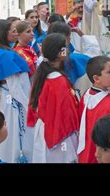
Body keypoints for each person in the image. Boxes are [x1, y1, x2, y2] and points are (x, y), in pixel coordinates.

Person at [0, 19, 33, 163]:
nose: (16, 33)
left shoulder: (2, 52)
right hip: (12, 102)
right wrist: (29, 105)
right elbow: (15, 87)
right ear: (2, 34)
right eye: (13, 30)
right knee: (11, 139)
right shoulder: (6, 55)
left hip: (7, 100)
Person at [27, 33, 79, 163]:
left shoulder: (43, 73)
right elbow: (66, 113)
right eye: (65, 47)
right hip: (58, 131)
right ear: (61, 52)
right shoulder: (59, 80)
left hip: (45, 128)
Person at [77, 56, 110, 163]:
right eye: (109, 72)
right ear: (96, 78)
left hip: (85, 150)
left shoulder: (85, 95)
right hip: (103, 152)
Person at [47, 22, 90, 95]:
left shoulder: (44, 58)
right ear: (68, 38)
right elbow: (94, 55)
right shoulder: (74, 58)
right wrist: (83, 35)